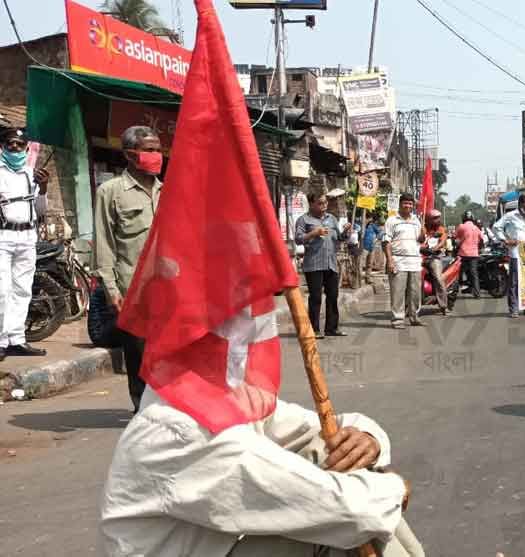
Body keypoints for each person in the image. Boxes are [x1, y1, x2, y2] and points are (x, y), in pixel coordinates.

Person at [101, 388, 423, 557]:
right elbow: (349, 510)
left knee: (336, 453)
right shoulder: (175, 429)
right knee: (352, 514)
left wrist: (370, 440)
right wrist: (395, 487)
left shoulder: (226, 396)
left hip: (227, 546)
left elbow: (326, 429)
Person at [94, 125, 163, 413]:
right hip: (131, 288)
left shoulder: (166, 190)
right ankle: (143, 410)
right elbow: (104, 243)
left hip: (167, 286)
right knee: (138, 354)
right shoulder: (110, 192)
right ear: (130, 154)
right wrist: (111, 290)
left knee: (167, 353)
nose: (156, 155)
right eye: (149, 150)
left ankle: (166, 408)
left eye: (158, 149)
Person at [0, 128, 49, 361]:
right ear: (3, 147)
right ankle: (1, 341)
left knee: (23, 289)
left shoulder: (32, 174)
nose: (16, 149)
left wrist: (44, 189)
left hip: (27, 237)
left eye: (20, 145)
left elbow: (40, 211)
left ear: (26, 148)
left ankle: (16, 339)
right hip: (3, 236)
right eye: (11, 144)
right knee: (2, 290)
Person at [295, 192, 351, 339]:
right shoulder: (304, 220)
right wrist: (314, 233)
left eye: (325, 203)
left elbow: (339, 238)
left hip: (331, 263)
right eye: (320, 203)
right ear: (311, 204)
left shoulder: (331, 219)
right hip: (313, 264)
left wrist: (346, 231)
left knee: (333, 296)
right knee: (315, 297)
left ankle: (332, 328)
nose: (324, 206)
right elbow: (298, 239)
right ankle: (314, 329)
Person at [384, 193, 425, 329]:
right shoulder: (392, 220)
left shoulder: (416, 220)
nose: (408, 206)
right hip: (398, 261)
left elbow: (420, 240)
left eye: (410, 204)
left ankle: (414, 317)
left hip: (414, 262)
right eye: (405, 203)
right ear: (400, 204)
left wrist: (423, 234)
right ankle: (397, 320)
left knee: (415, 293)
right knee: (398, 293)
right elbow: (386, 242)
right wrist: (390, 261)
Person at [494, 194, 525, 318]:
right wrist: (506, 240)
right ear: (521, 204)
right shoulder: (510, 216)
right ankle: (514, 309)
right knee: (514, 282)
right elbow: (496, 227)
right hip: (515, 254)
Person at [421, 209, 449, 315]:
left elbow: (442, 241)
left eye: (438, 218)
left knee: (438, 278)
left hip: (434, 257)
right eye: (435, 218)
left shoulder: (441, 229)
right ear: (428, 219)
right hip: (420, 257)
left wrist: (435, 248)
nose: (437, 220)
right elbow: (419, 240)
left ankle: (443, 306)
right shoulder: (422, 229)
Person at [455, 211, 483, 299]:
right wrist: (478, 247)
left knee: (457, 273)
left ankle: (454, 292)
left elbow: (456, 239)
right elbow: (481, 240)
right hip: (474, 254)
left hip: (462, 253)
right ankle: (477, 293)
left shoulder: (461, 226)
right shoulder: (476, 228)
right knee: (474, 274)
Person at [362, 213, 381, 279]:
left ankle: (368, 277)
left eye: (370, 218)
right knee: (361, 263)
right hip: (363, 247)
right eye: (368, 218)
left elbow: (380, 233)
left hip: (371, 247)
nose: (369, 220)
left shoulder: (372, 226)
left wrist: (376, 239)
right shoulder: (362, 226)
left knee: (369, 264)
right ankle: (359, 277)